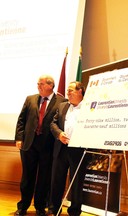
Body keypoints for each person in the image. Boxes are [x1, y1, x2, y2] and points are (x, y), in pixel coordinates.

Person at [14, 75, 67, 216]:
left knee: (44, 178)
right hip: (29, 144)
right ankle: (23, 206)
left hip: (48, 147)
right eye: (38, 83)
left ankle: (40, 206)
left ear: (50, 85)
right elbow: (21, 120)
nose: (38, 85)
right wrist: (19, 138)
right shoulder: (30, 99)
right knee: (27, 177)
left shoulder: (62, 102)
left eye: (41, 83)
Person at [49, 81, 88, 216]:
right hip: (61, 148)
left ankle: (74, 211)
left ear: (80, 91)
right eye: (67, 90)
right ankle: (55, 209)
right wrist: (59, 134)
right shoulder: (62, 106)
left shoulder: (89, 108)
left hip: (79, 150)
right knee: (57, 180)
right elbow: (53, 124)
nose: (68, 93)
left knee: (76, 182)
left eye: (71, 90)